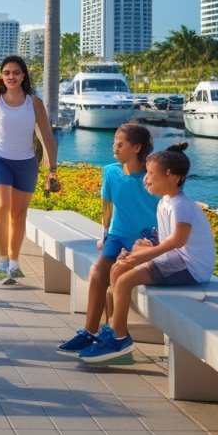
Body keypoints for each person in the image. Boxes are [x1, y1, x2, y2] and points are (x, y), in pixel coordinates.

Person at [79, 142, 217, 364]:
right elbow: (164, 239)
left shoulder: (181, 205)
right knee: (118, 268)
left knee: (124, 281)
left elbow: (178, 240)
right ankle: (114, 329)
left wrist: (145, 255)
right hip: (176, 260)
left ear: (170, 175)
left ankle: (118, 337)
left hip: (190, 267)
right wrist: (142, 247)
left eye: (151, 173)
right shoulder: (165, 202)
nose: (146, 178)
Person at [57, 123, 157, 354]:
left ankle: (113, 333)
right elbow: (106, 208)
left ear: (137, 147)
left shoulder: (152, 177)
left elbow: (165, 209)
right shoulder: (110, 172)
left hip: (145, 242)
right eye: (114, 142)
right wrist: (104, 237)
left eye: (120, 144)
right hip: (117, 237)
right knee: (98, 271)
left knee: (116, 277)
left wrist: (153, 244)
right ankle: (90, 331)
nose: (115, 147)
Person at [0, 55, 59, 286]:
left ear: (23, 75)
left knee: (18, 214)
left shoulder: (34, 103)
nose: (11, 77)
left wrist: (52, 170)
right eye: (7, 73)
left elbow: (46, 137)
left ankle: (14, 263)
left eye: (16, 72)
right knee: (4, 205)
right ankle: (1, 261)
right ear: (1, 77)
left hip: (26, 163)